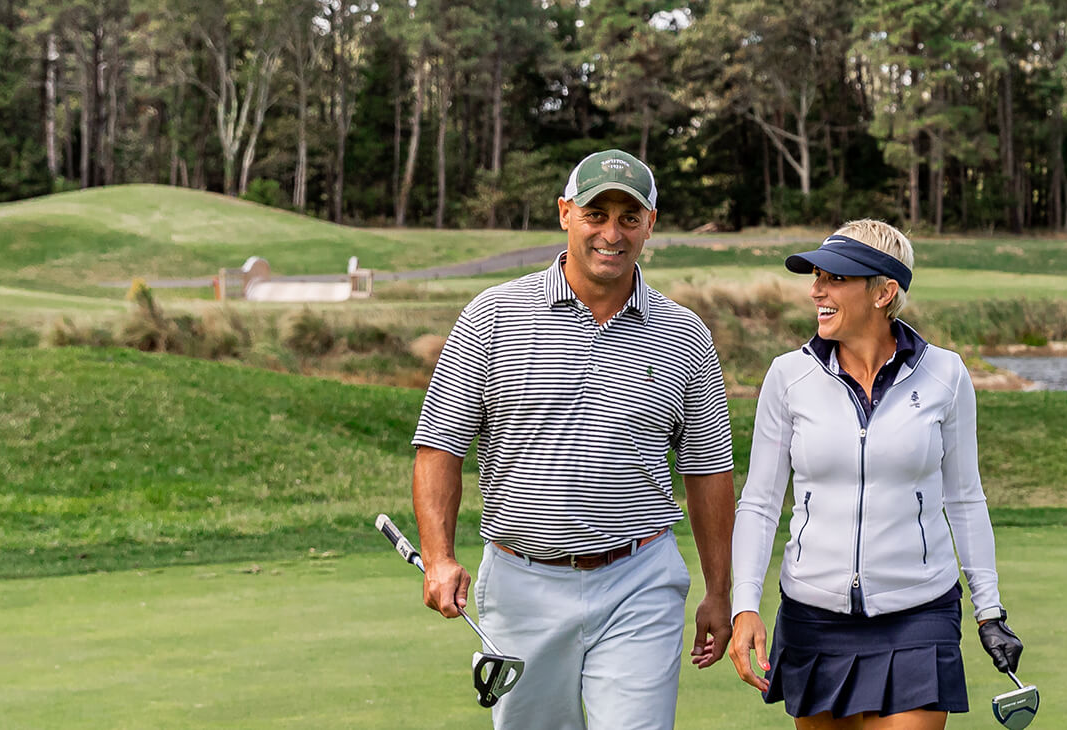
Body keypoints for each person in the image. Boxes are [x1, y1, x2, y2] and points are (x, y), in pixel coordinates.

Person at [409, 149, 738, 729]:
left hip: (639, 579)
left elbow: (708, 474)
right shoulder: (492, 315)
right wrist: (438, 557)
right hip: (521, 585)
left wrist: (719, 591)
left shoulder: (685, 334)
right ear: (565, 213)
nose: (612, 233)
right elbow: (440, 446)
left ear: (649, 225)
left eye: (629, 218)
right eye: (595, 214)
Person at [725, 219, 1023, 730]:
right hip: (813, 615)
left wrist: (989, 609)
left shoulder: (945, 375)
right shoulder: (787, 376)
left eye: (836, 278)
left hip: (918, 611)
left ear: (885, 292)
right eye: (816, 276)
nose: (817, 289)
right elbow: (760, 502)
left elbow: (966, 499)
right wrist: (744, 605)